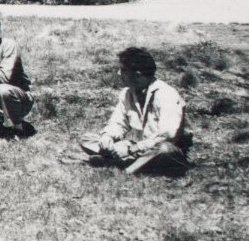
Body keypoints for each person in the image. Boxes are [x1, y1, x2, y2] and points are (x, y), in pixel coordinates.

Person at [80, 47, 189, 175]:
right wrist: (107, 136)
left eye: (123, 70)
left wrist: (132, 149)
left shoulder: (166, 94)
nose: (119, 74)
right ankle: (131, 161)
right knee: (87, 139)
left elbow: (167, 136)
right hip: (139, 147)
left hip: (166, 150)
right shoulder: (127, 93)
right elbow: (118, 123)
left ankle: (125, 169)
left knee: (165, 149)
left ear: (137, 75)